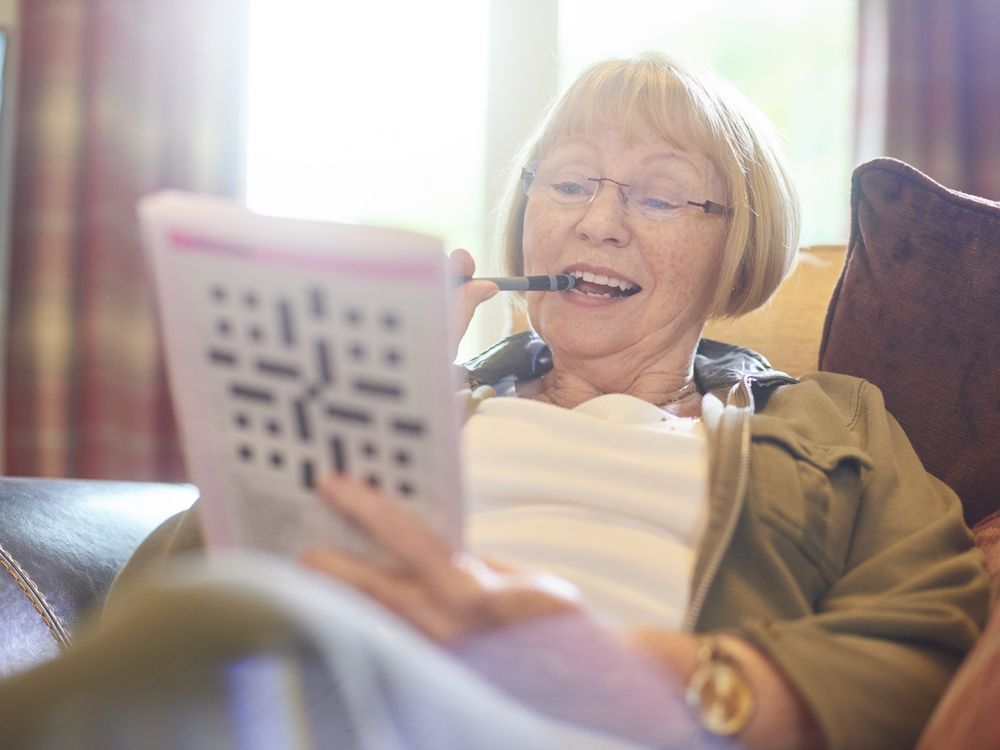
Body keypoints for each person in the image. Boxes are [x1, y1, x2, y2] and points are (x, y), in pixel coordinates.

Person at [8, 53, 988, 750]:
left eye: (656, 196)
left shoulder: (832, 425)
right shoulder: (444, 406)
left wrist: (639, 676)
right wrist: (359, 413)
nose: (597, 222)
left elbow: (926, 644)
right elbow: (160, 604)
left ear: (737, 246)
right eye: (567, 183)